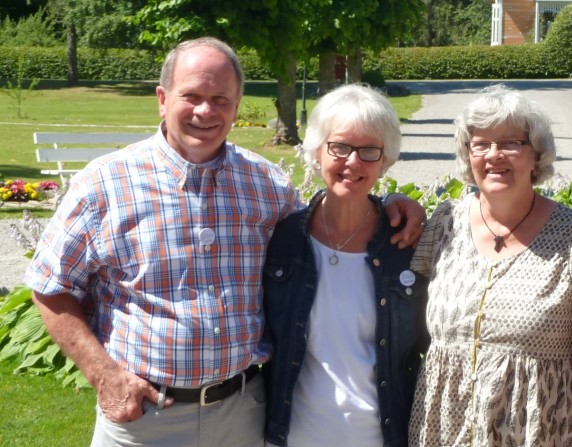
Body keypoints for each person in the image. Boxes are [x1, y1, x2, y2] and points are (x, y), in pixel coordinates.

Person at [24, 37, 422, 447]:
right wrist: (104, 375)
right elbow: (50, 285)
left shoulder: (266, 186)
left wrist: (391, 201)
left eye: (220, 98)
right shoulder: (104, 184)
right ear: (162, 99)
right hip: (145, 419)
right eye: (191, 96)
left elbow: (334, 214)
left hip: (244, 414)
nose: (205, 111)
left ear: (237, 104)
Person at [407, 85, 572, 446]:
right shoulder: (444, 223)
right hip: (443, 430)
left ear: (536, 155)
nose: (494, 155)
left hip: (542, 430)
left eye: (511, 143)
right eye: (481, 144)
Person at [262, 84, 428, 447]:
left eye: (369, 150)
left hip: (382, 436)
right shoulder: (283, 239)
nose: (353, 162)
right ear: (317, 152)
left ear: (384, 160)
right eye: (340, 147)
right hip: (293, 436)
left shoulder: (407, 245)